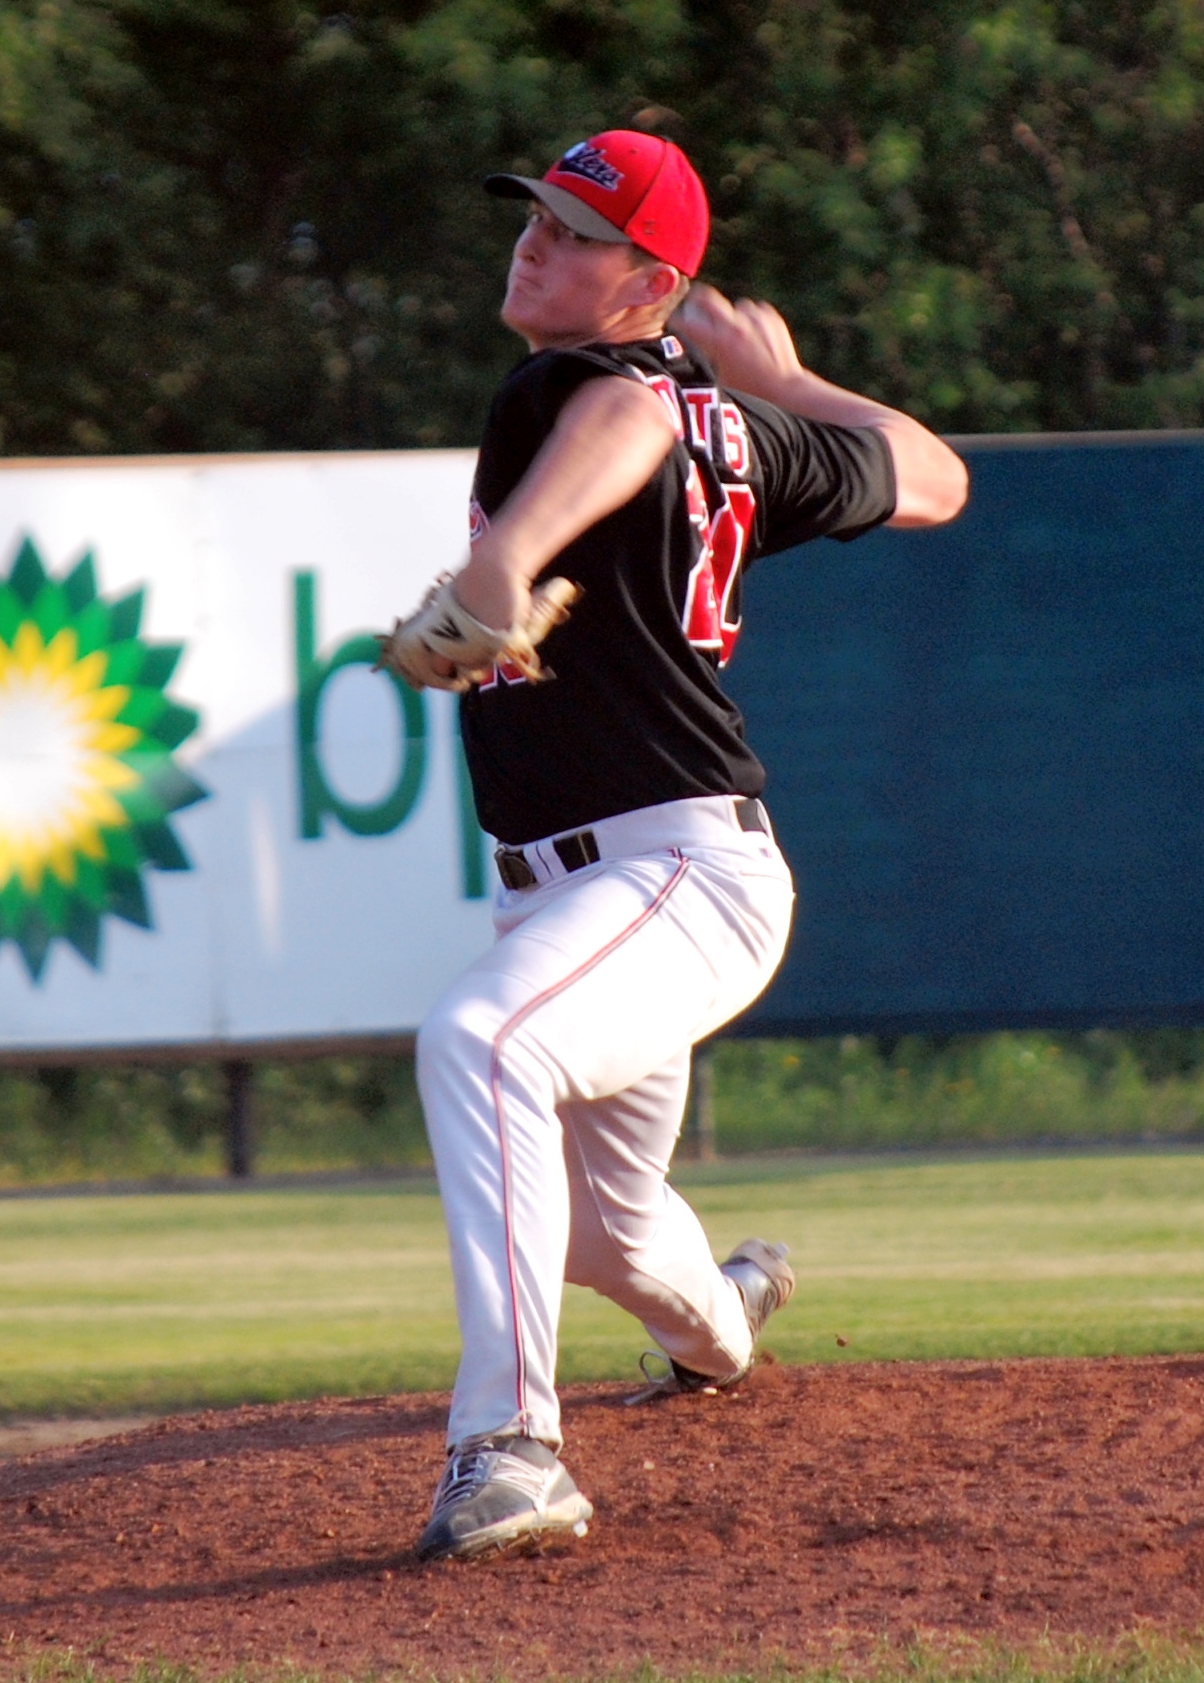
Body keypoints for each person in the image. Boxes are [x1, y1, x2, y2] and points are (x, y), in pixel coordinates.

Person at [382, 130, 968, 1562]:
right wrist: (781, 387)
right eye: (534, 215)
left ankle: (512, 1450)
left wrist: (509, 555)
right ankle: (722, 1325)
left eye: (575, 234)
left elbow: (631, 417)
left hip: (672, 870)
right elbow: (932, 471)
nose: (535, 242)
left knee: (485, 1046)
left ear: (650, 281)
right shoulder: (735, 431)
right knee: (605, 1234)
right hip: (600, 898)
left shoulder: (592, 388)